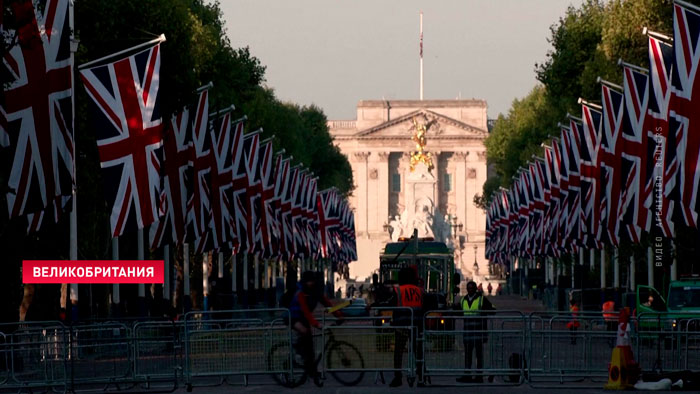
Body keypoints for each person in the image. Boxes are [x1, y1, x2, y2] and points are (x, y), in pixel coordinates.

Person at [289, 271, 342, 387]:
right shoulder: (301, 293)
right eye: (309, 281)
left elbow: (329, 305)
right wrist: (317, 325)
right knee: (305, 333)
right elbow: (306, 312)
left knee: (310, 348)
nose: (311, 283)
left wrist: (339, 315)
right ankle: (298, 351)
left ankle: (311, 371)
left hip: (304, 318)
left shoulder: (316, 293)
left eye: (313, 281)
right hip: (293, 317)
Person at [388, 267, 424, 387]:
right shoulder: (419, 290)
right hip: (416, 325)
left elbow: (390, 304)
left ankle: (398, 378)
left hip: (401, 325)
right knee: (418, 352)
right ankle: (421, 376)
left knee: (398, 352)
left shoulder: (398, 290)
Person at [457, 281, 495, 384]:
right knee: (468, 355)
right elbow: (457, 310)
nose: (470, 290)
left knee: (479, 355)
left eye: (472, 288)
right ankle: (467, 375)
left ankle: (479, 376)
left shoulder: (481, 299)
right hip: (468, 332)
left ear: (475, 289)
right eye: (468, 288)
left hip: (478, 332)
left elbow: (493, 310)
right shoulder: (463, 300)